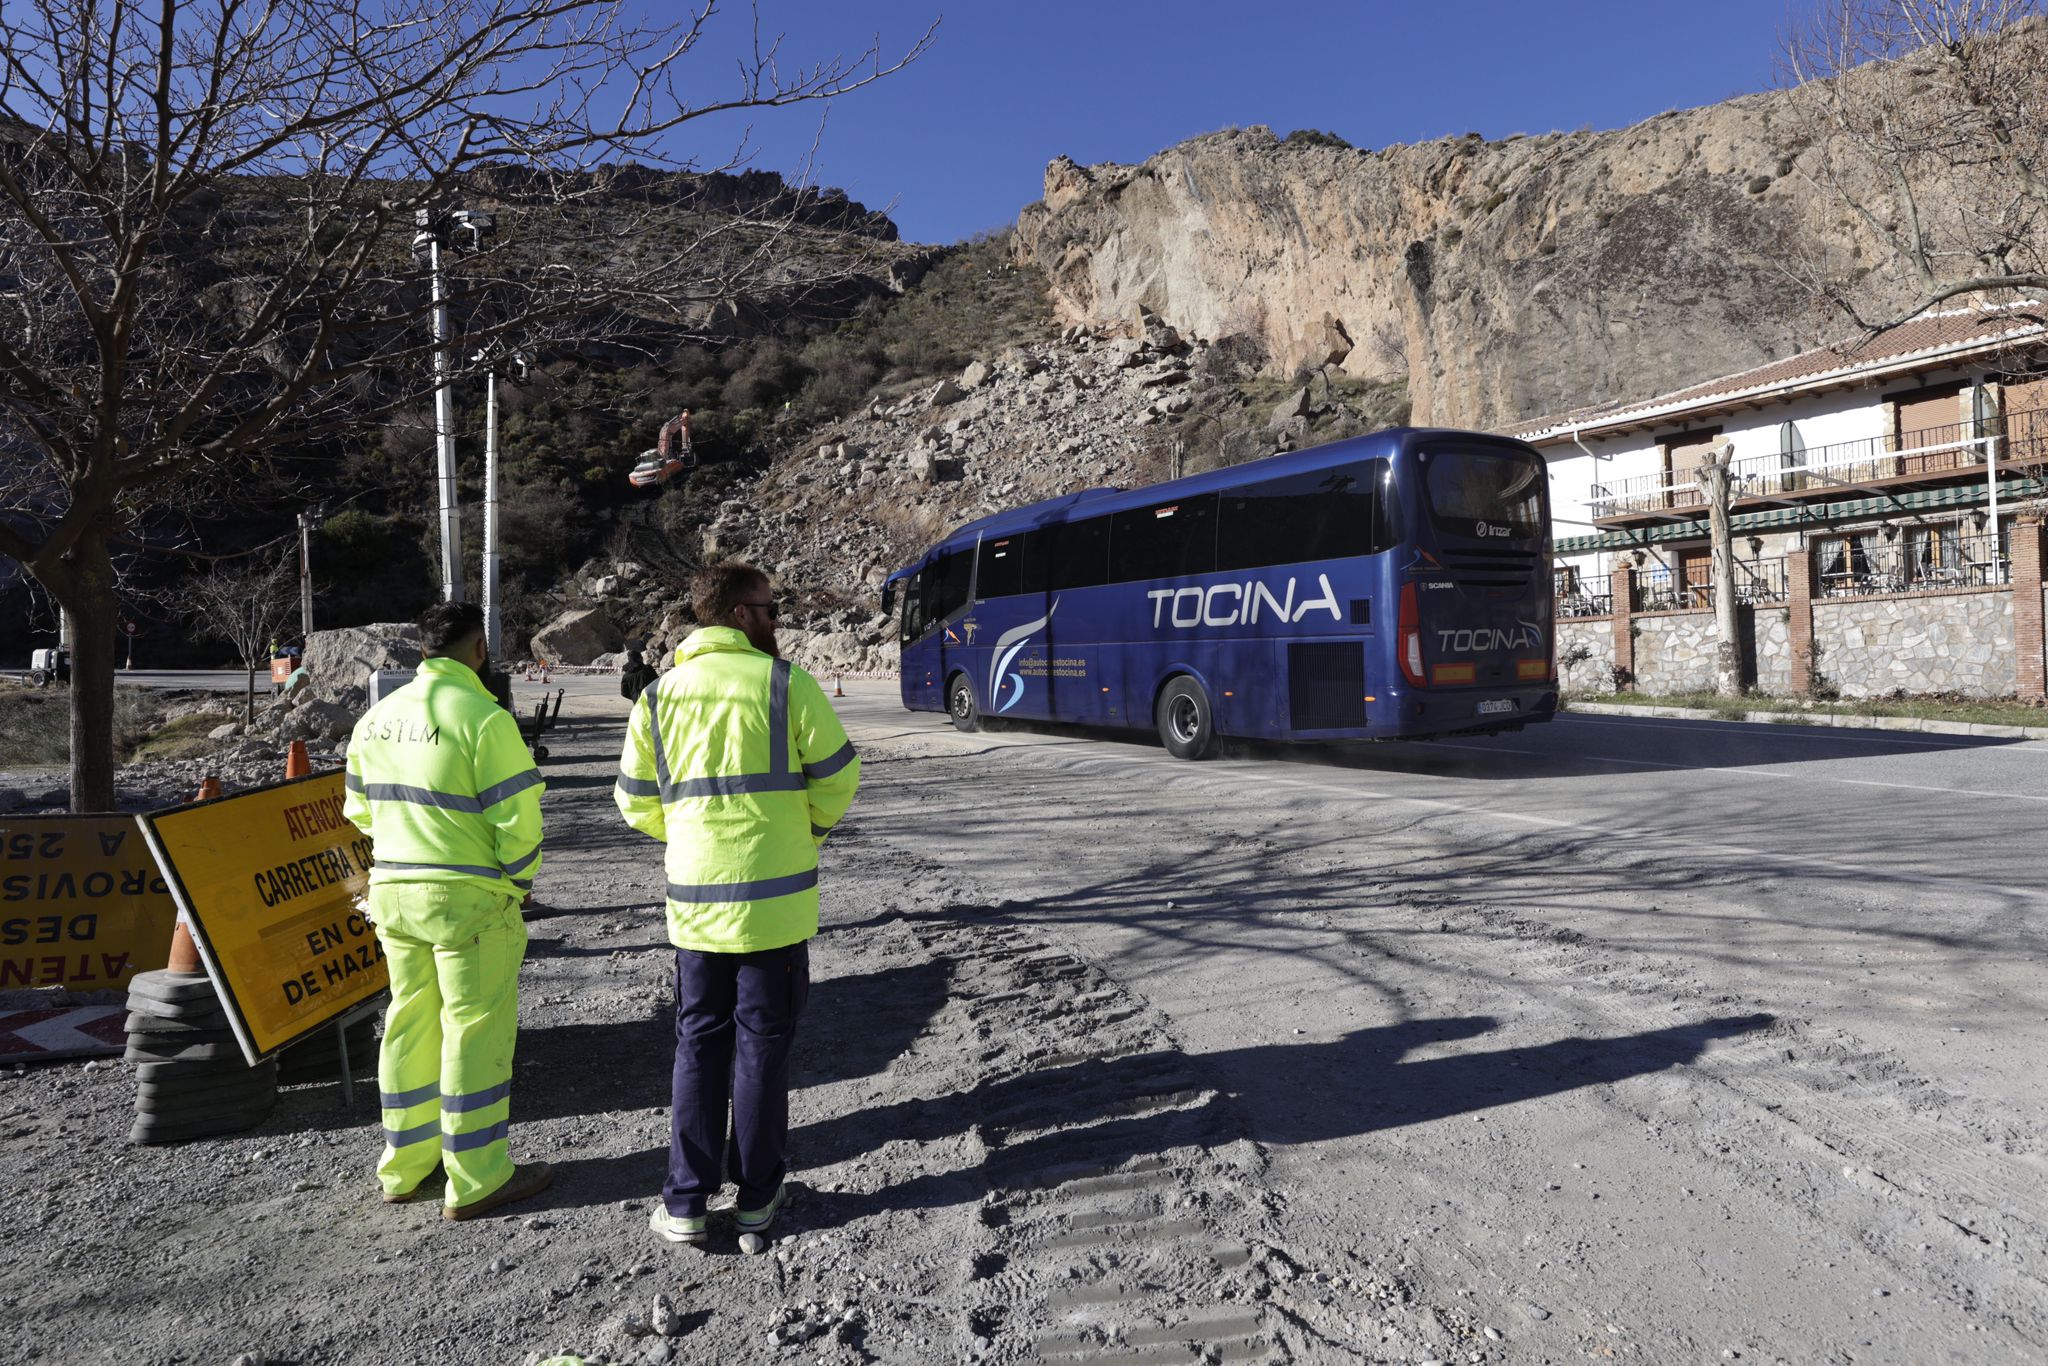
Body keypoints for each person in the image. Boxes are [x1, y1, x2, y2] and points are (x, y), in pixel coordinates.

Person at [616, 561, 859, 1247]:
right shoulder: (784, 685)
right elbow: (840, 781)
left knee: (697, 1048)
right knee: (761, 1053)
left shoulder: (658, 699)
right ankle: (756, 1198)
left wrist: (691, 834)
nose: (777, 620)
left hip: (696, 908)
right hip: (774, 912)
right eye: (771, 609)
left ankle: (686, 1203)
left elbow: (634, 803)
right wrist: (805, 828)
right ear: (741, 614)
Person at [342, 601, 551, 1220]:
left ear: (421, 650)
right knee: (474, 1030)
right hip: (468, 900)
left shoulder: (375, 720)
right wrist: (518, 882)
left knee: (409, 1024)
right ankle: (478, 1177)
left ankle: (404, 1168)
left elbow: (359, 813)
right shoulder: (485, 720)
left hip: (395, 893)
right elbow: (518, 820)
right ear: (479, 650)